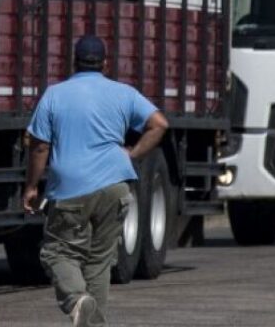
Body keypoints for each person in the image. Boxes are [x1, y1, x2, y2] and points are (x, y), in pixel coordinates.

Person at [22, 35, 169, 326]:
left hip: (71, 189)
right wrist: (133, 154)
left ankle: (77, 299)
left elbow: (39, 146)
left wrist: (32, 186)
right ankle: (93, 322)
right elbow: (160, 124)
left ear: (73, 61)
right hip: (115, 184)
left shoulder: (55, 94)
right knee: (99, 262)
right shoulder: (123, 93)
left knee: (57, 252)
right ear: (105, 63)